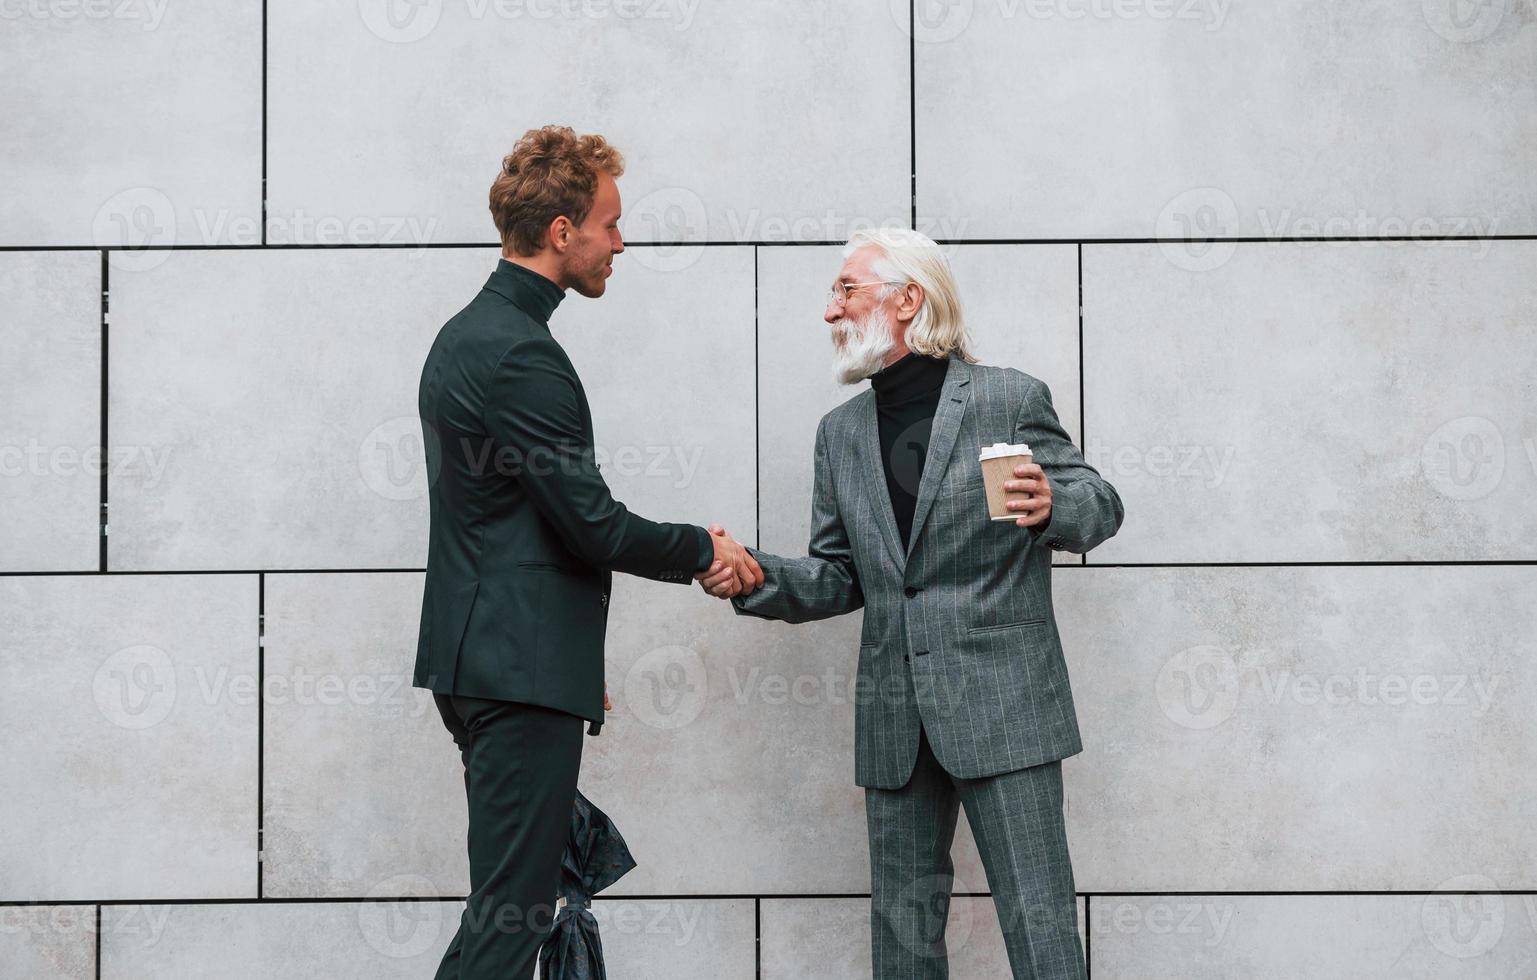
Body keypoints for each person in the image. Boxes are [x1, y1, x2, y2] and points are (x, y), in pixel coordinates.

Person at [699, 227, 1123, 979]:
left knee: (1041, 929)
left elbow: (1100, 504)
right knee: (902, 948)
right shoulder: (841, 435)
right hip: (895, 721)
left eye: (845, 290)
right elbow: (839, 575)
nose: (830, 310)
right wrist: (754, 579)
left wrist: (1054, 503)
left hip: (1006, 710)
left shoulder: (1007, 398)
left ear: (908, 298)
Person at [413, 125, 762, 979]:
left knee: (514, 905)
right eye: (610, 223)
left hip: (502, 664)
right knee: (512, 917)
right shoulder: (520, 354)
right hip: (513, 672)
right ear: (563, 230)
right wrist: (704, 548)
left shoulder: (475, 334)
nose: (621, 241)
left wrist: (564, 653)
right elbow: (591, 524)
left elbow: (512, 526)